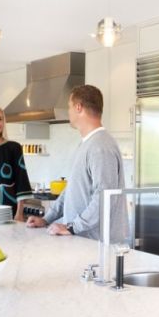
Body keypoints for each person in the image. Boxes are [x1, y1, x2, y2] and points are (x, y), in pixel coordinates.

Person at [26, 85, 126, 240]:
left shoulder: (100, 147)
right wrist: (47, 219)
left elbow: (105, 197)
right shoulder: (87, 144)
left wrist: (72, 227)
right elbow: (71, 190)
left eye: (69, 106)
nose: (68, 111)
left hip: (95, 245)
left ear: (79, 107)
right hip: (82, 240)